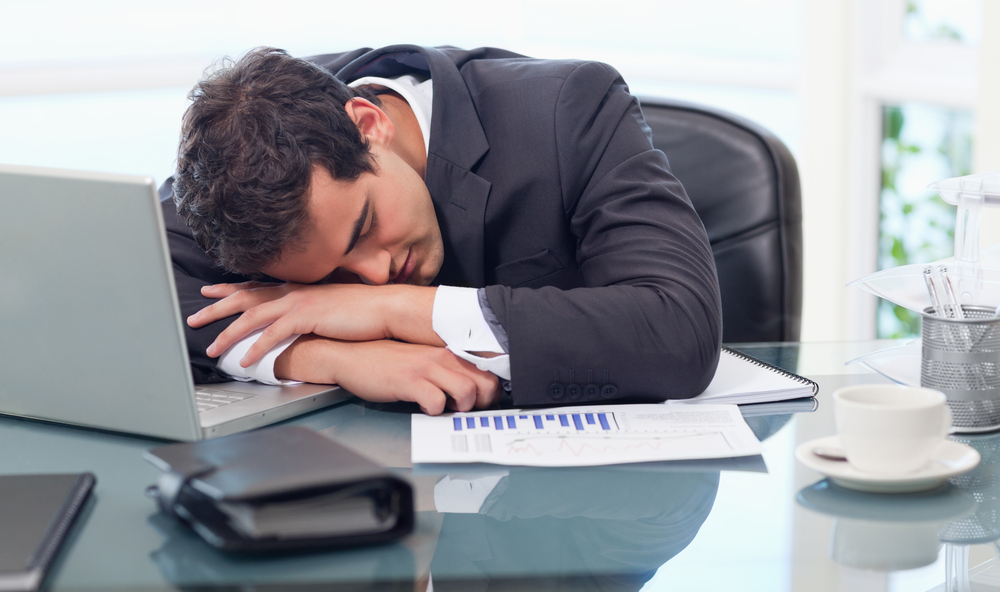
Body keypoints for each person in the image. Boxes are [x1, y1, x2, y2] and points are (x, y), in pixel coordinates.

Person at [162, 45, 722, 415]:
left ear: (368, 125)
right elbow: (131, 295)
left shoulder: (569, 109)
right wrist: (320, 356)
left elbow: (679, 330)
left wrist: (395, 312)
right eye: (330, 276)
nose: (374, 276)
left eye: (365, 228)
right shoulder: (241, 150)